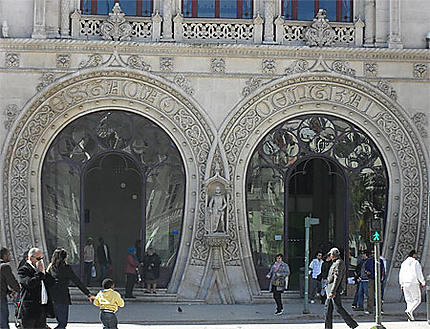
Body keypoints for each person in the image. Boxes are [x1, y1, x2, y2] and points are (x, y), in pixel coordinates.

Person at [47, 248, 95, 329]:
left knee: (61, 323)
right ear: (64, 258)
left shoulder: (51, 267)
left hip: (52, 298)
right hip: (62, 298)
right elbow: (77, 281)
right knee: (62, 324)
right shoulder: (66, 268)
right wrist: (88, 294)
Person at [17, 247, 54, 329]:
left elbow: (51, 282)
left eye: (42, 258)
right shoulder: (23, 270)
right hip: (30, 310)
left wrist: (44, 272)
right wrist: (39, 273)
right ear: (31, 258)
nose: (40, 260)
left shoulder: (41, 270)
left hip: (41, 308)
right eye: (38, 258)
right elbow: (29, 283)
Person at [324, 247, 358, 329]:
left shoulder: (339, 263)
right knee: (328, 309)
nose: (330, 256)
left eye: (330, 254)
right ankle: (328, 327)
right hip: (331, 288)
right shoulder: (335, 262)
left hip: (334, 288)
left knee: (338, 308)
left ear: (333, 255)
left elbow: (337, 278)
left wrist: (333, 291)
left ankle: (352, 324)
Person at [399, 249, 425, 321]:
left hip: (405, 283)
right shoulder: (415, 262)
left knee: (409, 300)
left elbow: (401, 274)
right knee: (417, 299)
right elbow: (419, 273)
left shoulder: (403, 263)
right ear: (413, 255)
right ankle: (409, 311)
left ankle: (410, 317)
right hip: (413, 282)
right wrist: (423, 282)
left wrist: (401, 283)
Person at [1, 247, 20, 329]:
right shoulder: (4, 267)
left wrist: (9, 292)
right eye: (8, 254)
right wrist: (19, 289)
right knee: (3, 322)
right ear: (4, 255)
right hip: (1, 299)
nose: (9, 256)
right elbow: (11, 281)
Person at [363, 250, 385, 315]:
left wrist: (382, 278)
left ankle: (380, 309)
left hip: (378, 279)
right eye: (372, 253)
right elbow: (365, 269)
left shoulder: (380, 261)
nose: (373, 254)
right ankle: (370, 309)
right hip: (371, 279)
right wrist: (367, 272)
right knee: (370, 295)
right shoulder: (369, 261)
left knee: (379, 295)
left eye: (374, 253)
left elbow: (383, 270)